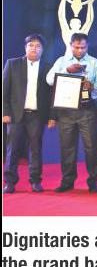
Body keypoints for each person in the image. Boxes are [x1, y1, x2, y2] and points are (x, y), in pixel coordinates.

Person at [46, 32, 97, 193]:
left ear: (87, 46)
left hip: (87, 109)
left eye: (83, 47)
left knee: (91, 147)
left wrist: (92, 86)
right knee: (67, 147)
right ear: (71, 45)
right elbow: (49, 80)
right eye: (77, 47)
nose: (80, 50)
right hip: (66, 109)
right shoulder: (62, 61)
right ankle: (67, 181)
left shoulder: (95, 63)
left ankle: (93, 181)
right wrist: (67, 70)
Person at [2, 34, 55, 194]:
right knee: (12, 149)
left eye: (38, 46)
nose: (34, 48)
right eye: (31, 45)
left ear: (42, 49)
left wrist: (52, 116)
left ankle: (35, 181)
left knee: (35, 149)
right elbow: (4, 90)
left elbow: (52, 95)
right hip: (15, 114)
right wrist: (5, 112)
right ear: (25, 47)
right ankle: (9, 182)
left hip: (37, 115)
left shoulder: (48, 67)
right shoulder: (12, 64)